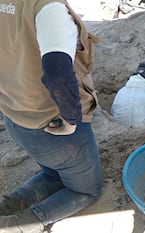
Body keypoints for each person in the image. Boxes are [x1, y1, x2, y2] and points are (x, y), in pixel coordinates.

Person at [0, 0, 103, 232]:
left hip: (15, 117)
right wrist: (71, 118)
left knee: (54, 173)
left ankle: (6, 207)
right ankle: (14, 226)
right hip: (51, 125)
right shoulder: (48, 8)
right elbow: (57, 73)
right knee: (85, 190)